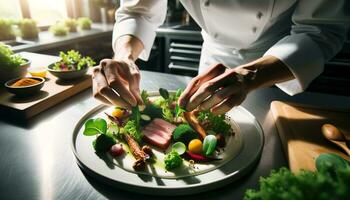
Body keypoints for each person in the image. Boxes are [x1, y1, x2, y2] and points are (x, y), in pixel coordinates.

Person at [92, 0, 349, 114]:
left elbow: (320, 30)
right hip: (210, 66)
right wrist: (124, 57)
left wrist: (250, 76)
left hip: (278, 70)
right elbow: (139, 12)